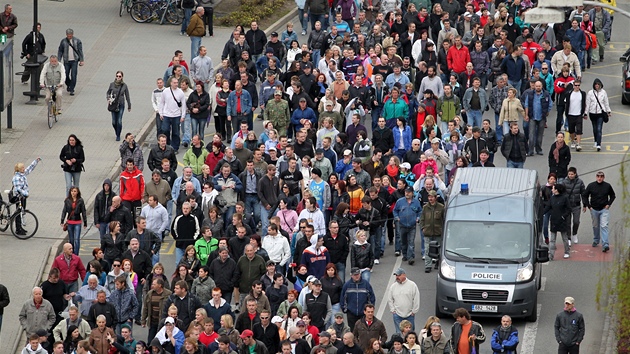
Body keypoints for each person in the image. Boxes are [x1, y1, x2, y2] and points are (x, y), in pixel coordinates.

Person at [582, 171, 616, 252]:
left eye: (601, 176)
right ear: (596, 177)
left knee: (604, 226)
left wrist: (608, 204)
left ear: (603, 177)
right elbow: (584, 195)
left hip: (604, 209)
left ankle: (605, 244)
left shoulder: (607, 186)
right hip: (594, 209)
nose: (599, 178)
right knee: (595, 226)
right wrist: (588, 206)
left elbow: (612, 195)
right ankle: (596, 239)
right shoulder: (591, 185)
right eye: (598, 176)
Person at [12, 157, 41, 235]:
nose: (24, 169)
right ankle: (18, 229)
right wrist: (25, 193)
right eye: (22, 168)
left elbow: (30, 168)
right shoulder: (16, 178)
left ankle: (20, 227)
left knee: (22, 211)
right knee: (18, 212)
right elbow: (18, 188)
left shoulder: (22, 174)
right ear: (18, 169)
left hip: (23, 197)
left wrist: (36, 161)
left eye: (23, 167)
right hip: (19, 197)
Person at [523, 81, 552, 156]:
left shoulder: (546, 94)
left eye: (539, 86)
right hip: (532, 116)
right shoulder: (530, 94)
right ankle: (530, 150)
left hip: (542, 117)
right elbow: (526, 105)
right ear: (534, 86)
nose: (538, 87)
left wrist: (547, 112)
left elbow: (550, 104)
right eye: (536, 86)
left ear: (542, 86)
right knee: (531, 135)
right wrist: (526, 115)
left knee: (539, 135)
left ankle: (538, 149)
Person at [393, 187, 421, 262]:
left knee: (411, 242)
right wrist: (396, 217)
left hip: (412, 226)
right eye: (406, 192)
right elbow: (395, 211)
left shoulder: (416, 202)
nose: (407, 193)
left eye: (409, 192)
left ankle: (410, 257)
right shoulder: (399, 201)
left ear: (412, 193)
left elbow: (419, 211)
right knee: (403, 242)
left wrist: (418, 218)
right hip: (402, 225)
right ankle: (405, 254)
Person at [160, 77, 188, 152]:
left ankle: (175, 148)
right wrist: (161, 113)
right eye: (174, 83)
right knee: (165, 130)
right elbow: (162, 102)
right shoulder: (165, 91)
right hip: (166, 114)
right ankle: (167, 145)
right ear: (171, 83)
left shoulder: (180, 92)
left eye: (177, 83)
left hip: (176, 115)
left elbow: (183, 105)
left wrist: (183, 116)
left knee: (176, 132)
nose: (176, 84)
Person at [387, 268, 419, 332]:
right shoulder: (393, 286)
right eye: (396, 275)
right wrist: (393, 310)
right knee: (399, 333)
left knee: (410, 333)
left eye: (398, 275)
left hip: (409, 314)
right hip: (397, 314)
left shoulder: (412, 285)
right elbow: (390, 299)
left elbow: (416, 299)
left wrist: (414, 311)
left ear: (404, 275)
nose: (397, 277)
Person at [60, 186, 88, 255]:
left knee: (77, 240)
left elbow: (83, 211)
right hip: (70, 222)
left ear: (77, 192)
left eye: (75, 191)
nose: (73, 193)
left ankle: (76, 255)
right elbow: (64, 211)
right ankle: (71, 253)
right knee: (71, 240)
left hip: (77, 221)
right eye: (72, 191)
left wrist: (85, 222)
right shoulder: (67, 200)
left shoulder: (80, 200)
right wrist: (62, 220)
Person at [585, 78, 610, 152]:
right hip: (592, 113)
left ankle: (599, 144)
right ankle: (595, 141)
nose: (597, 86)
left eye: (598, 84)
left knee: (599, 129)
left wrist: (608, 111)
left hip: (600, 114)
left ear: (600, 85)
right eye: (596, 84)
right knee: (595, 129)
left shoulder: (603, 92)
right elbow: (588, 103)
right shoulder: (590, 93)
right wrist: (585, 113)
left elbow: (606, 102)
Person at [562, 167, 586, 245]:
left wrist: (585, 204)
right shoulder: (564, 182)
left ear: (575, 174)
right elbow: (562, 193)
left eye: (572, 174)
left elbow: (583, 193)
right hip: (567, 206)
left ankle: (574, 233)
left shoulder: (580, 182)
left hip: (576, 205)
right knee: (567, 222)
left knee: (576, 221)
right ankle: (568, 237)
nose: (570, 176)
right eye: (569, 174)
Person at [57, 28, 84, 96]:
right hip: (66, 61)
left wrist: (81, 60)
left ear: (72, 34)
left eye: (70, 35)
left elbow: (80, 51)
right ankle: (69, 84)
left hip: (74, 60)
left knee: (73, 75)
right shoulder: (63, 41)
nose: (69, 37)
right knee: (65, 75)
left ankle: (72, 89)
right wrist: (59, 59)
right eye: (68, 35)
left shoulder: (77, 41)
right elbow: (60, 50)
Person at [107, 71, 132, 141]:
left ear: (122, 77)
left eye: (120, 76)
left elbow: (127, 95)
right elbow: (108, 92)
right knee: (114, 122)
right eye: (117, 76)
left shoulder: (124, 85)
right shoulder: (112, 84)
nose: (118, 77)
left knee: (119, 121)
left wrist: (129, 105)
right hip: (113, 104)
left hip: (121, 104)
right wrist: (108, 99)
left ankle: (118, 135)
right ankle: (116, 131)